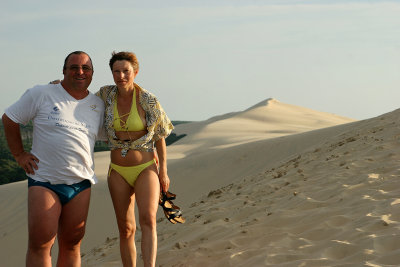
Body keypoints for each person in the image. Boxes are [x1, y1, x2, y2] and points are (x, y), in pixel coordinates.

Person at [2, 51, 105, 267]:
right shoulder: (42, 93)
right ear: (64, 70)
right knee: (41, 243)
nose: (80, 72)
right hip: (45, 181)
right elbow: (10, 119)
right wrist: (19, 154)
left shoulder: (98, 105)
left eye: (85, 68)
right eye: (74, 67)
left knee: (72, 244)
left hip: (81, 183)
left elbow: (117, 132)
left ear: (92, 73)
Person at [95, 51, 174, 267]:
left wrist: (163, 172)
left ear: (135, 72)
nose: (121, 76)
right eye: (116, 71)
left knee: (148, 220)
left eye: (126, 71)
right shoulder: (104, 95)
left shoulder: (148, 99)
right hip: (117, 171)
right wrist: (57, 87)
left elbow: (160, 137)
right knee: (126, 228)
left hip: (145, 168)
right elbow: (80, 101)